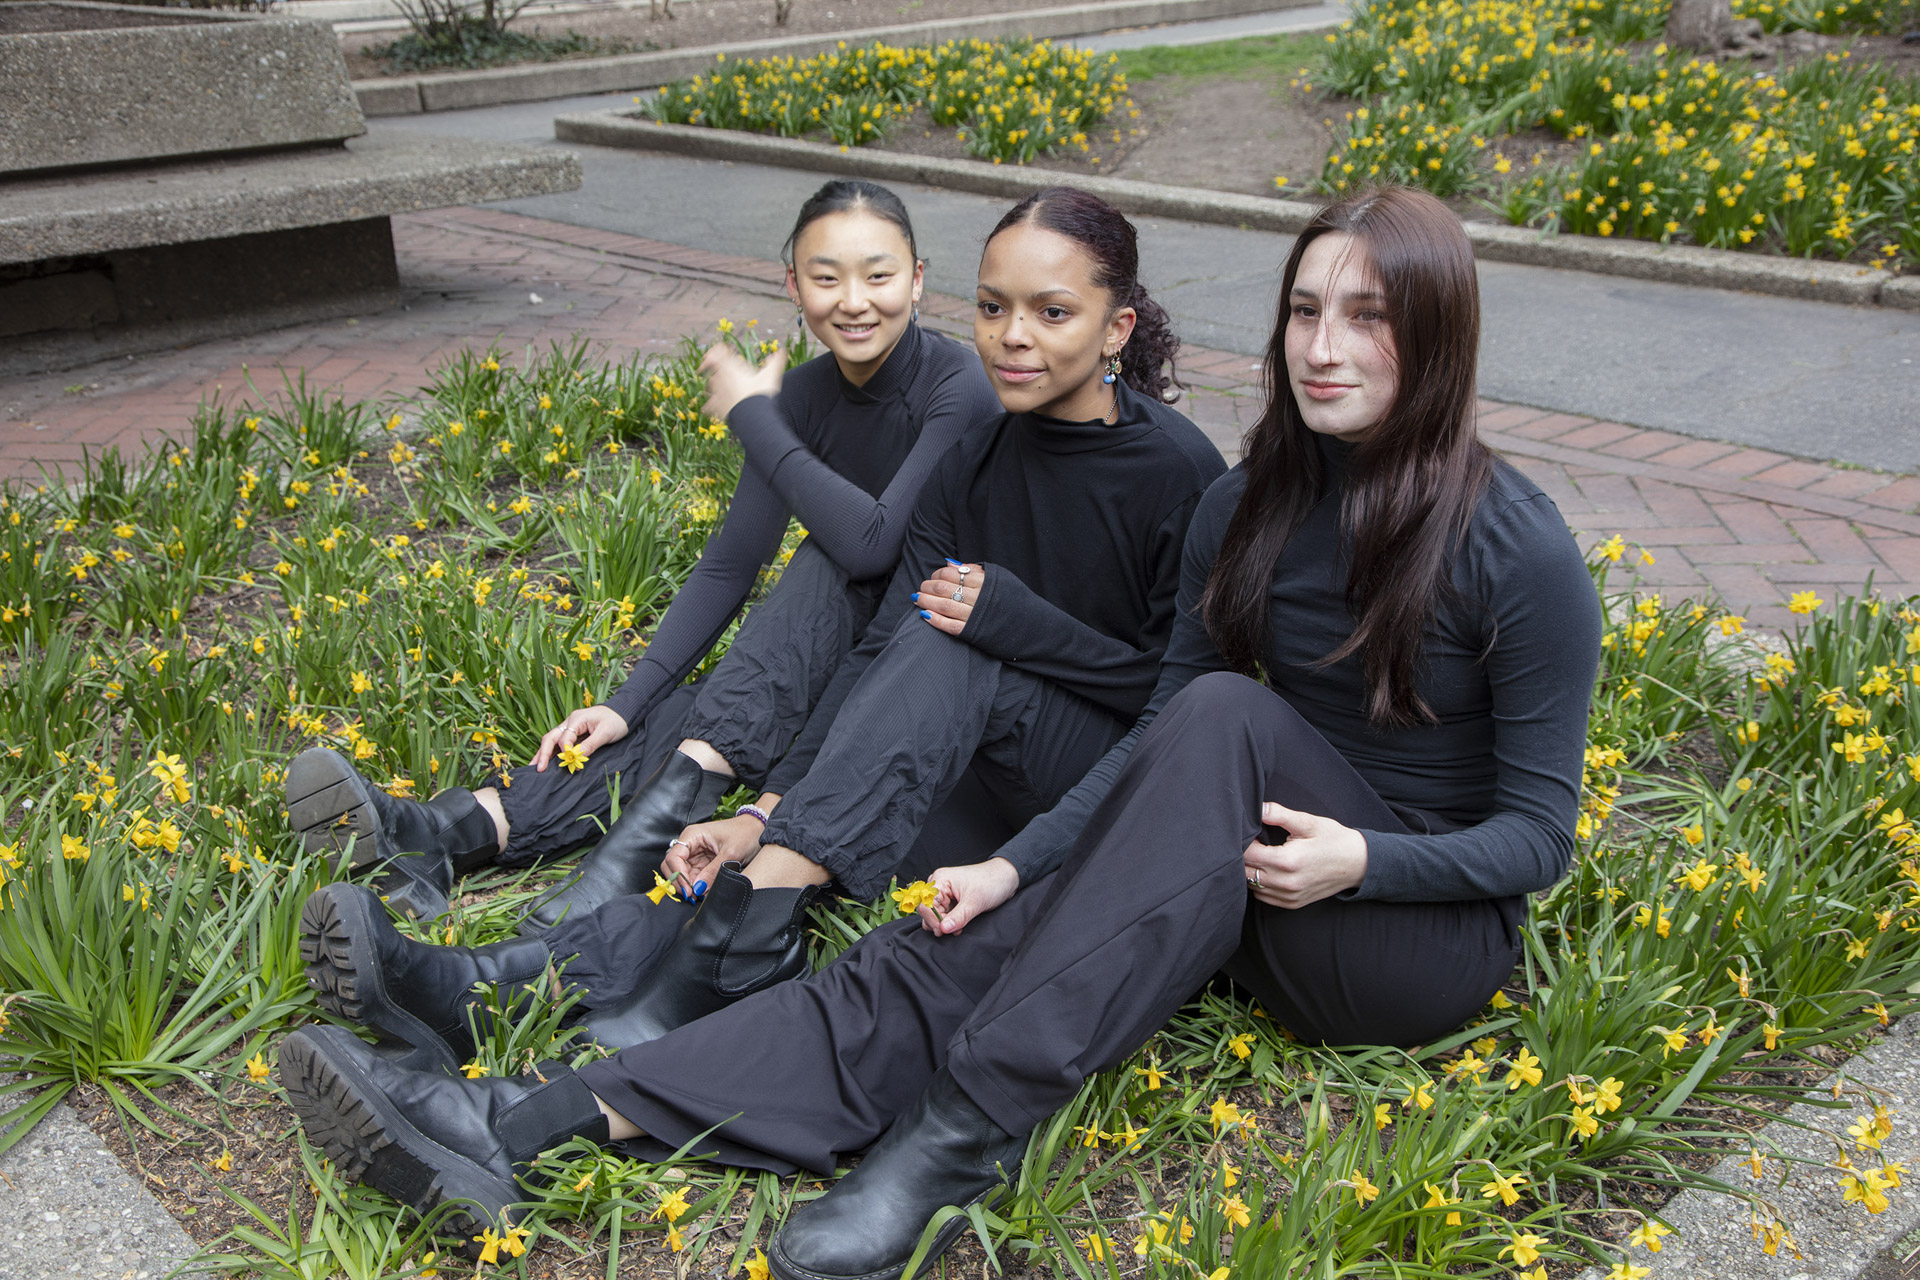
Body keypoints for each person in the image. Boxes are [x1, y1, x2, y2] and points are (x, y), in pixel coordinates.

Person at [288, 187, 1228, 1079]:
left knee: (940, 645)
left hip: (1088, 781)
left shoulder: (1179, 471)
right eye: (992, 308)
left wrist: (1019, 628)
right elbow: (875, 649)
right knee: (754, 827)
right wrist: (765, 809)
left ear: (1118, 327)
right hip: (959, 753)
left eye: (1052, 313)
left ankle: (586, 899)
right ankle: (491, 986)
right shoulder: (975, 454)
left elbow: (1178, 707)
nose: (1013, 337)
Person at [282, 179, 999, 923]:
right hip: (819, 656)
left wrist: (755, 418)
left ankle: (600, 871)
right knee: (684, 711)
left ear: (917, 280)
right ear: (793, 283)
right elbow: (732, 562)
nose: (854, 300)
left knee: (819, 572)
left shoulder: (959, 387)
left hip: (920, 671)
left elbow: (873, 548)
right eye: (826, 277)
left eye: (879, 275)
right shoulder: (806, 398)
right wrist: (627, 701)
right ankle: (452, 830)